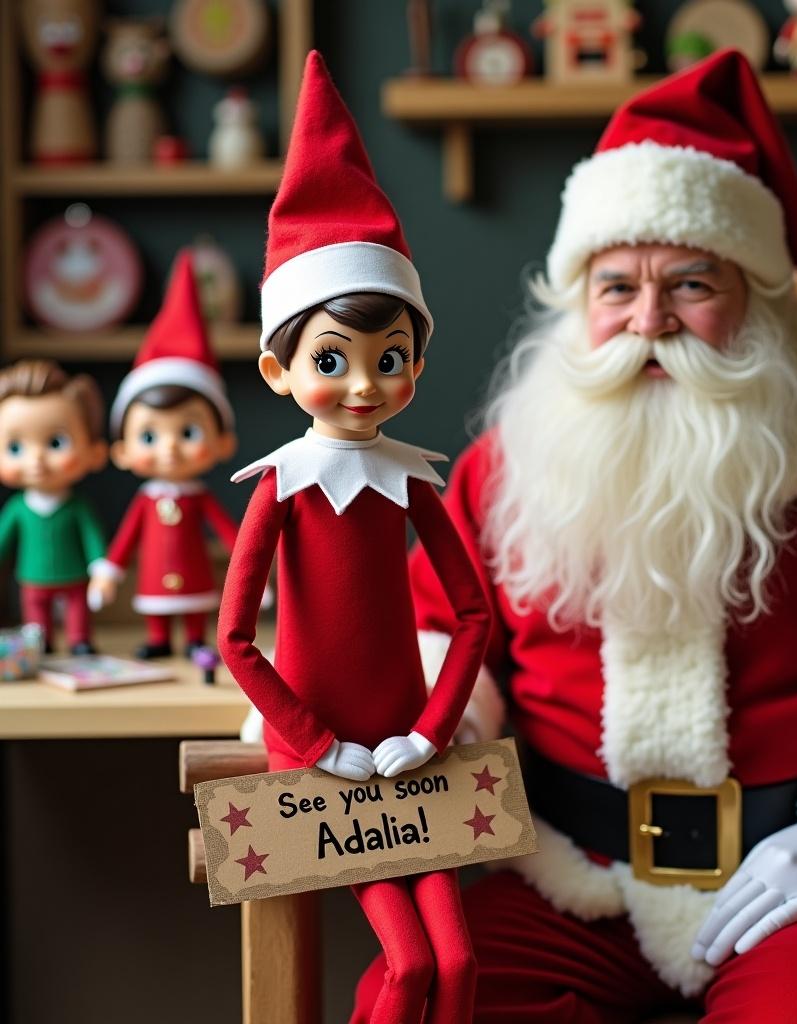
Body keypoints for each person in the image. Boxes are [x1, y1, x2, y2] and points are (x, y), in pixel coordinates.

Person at [355, 50, 797, 1023]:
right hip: (562, 873)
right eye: (616, 285)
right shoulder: (509, 461)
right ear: (578, 300)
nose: (648, 321)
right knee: (419, 1005)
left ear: (755, 295)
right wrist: (446, 725)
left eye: (691, 284)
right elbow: (444, 636)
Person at [217, 52, 491, 1024]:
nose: (366, 384)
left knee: (459, 968)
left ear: (419, 357)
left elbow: (473, 615)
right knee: (410, 968)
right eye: (332, 359)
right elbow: (234, 641)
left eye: (391, 357)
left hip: (411, 755)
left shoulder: (415, 478)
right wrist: (316, 743)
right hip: (322, 762)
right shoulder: (281, 487)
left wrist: (431, 729)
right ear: (277, 369)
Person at [88, 251, 239, 658]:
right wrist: (109, 572)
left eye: (188, 432)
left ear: (224, 443)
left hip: (195, 577)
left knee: (194, 607)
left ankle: (193, 638)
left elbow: (231, 535)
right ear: (121, 451)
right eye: (150, 436)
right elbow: (123, 541)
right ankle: (158, 637)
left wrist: (250, 572)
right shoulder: (146, 500)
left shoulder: (199, 498)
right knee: (157, 604)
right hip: (153, 579)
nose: (170, 447)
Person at [0, 359, 107, 653]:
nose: (36, 459)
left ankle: (79, 639)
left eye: (56, 443)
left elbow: (93, 539)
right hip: (33, 577)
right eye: (15, 448)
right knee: (35, 615)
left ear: (94, 452)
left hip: (74, 577)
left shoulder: (77, 507)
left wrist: (100, 568)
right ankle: (42, 642)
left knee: (77, 610)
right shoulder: (18, 509)